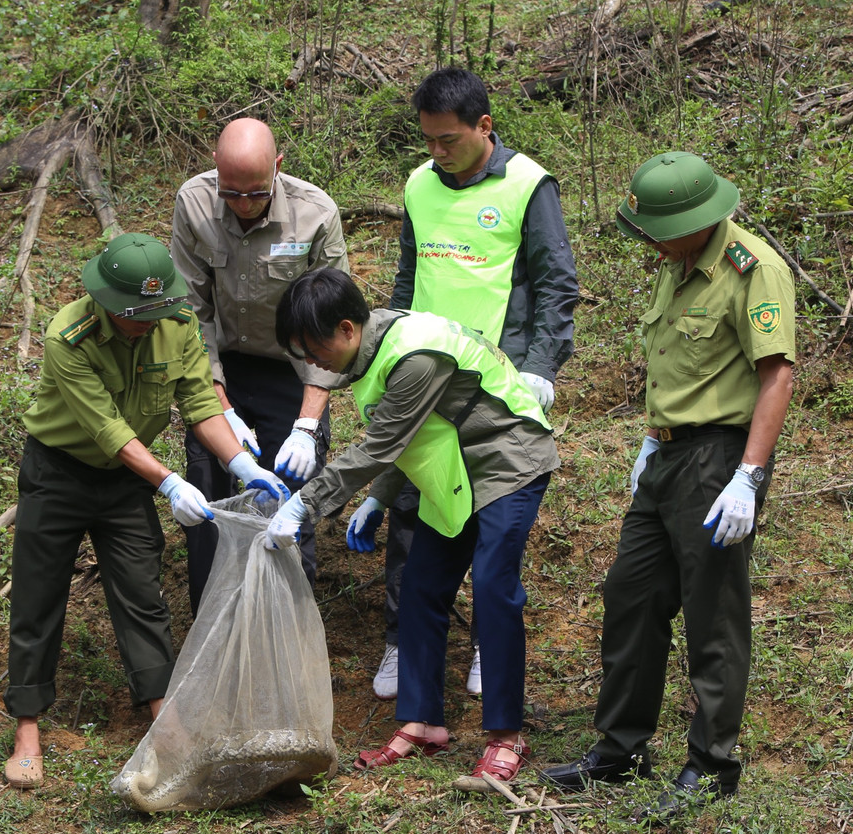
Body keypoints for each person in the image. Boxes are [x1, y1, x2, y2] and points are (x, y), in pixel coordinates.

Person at [537, 152, 795, 822]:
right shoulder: (675, 266)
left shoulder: (752, 269)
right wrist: (652, 440)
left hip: (718, 462)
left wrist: (749, 475)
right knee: (631, 593)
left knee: (714, 613)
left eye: (657, 229)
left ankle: (713, 765)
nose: (647, 240)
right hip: (667, 457)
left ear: (695, 221)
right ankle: (622, 748)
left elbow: (777, 376)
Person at [3, 233, 290, 789]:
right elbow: (106, 427)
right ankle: (28, 729)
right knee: (38, 595)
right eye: (137, 314)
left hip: (128, 483)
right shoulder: (69, 334)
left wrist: (241, 465)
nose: (146, 323)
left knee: (142, 593)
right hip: (59, 472)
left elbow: (199, 403)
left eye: (154, 312)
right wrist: (170, 483)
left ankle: (165, 719)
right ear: (107, 301)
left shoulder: (177, 326)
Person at [265, 267, 558, 792]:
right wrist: (378, 497)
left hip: (509, 460)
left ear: (348, 329)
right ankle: (424, 723)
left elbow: (381, 443)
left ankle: (506, 734)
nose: (312, 362)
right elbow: (414, 432)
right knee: (420, 586)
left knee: (493, 587)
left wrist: (305, 505)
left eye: (314, 348)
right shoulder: (377, 353)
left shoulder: (414, 354)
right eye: (300, 352)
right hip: (455, 468)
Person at [359, 67, 579, 700]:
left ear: (485, 127)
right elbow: (407, 277)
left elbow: (556, 283)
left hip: (495, 380)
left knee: (489, 513)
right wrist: (386, 351)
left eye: (448, 140)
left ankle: (486, 645)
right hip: (424, 374)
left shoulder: (527, 185)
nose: (436, 153)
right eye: (427, 140)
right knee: (412, 505)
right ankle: (403, 642)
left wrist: (540, 365)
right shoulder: (420, 187)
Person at [171, 117, 350, 616]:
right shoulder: (193, 202)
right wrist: (218, 406)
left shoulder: (315, 213)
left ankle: (287, 617)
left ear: (278, 167)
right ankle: (214, 617)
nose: (244, 205)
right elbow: (192, 311)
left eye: (256, 193)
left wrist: (308, 424)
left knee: (290, 495)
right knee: (209, 491)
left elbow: (331, 327)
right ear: (215, 170)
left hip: (291, 368)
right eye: (231, 193)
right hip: (220, 363)